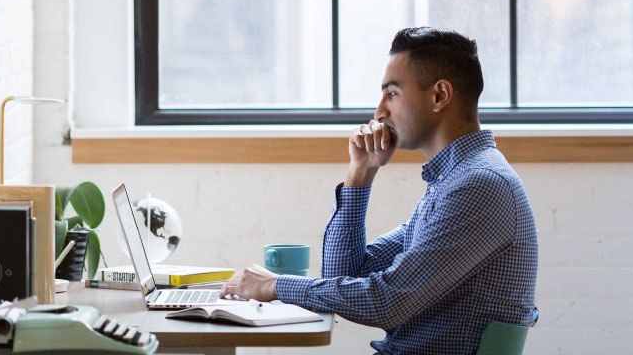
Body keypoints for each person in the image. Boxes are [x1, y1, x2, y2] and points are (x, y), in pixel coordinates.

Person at [221, 27, 538, 354]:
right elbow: (343, 274)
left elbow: (387, 301)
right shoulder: (452, 182)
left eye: (392, 93)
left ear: (440, 96)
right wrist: (362, 171)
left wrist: (274, 286)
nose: (379, 112)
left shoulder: (478, 186)